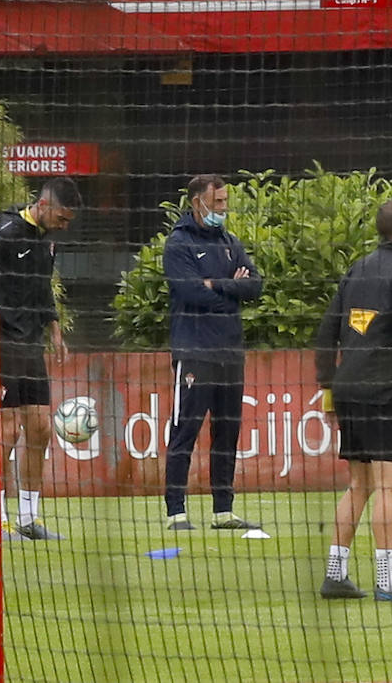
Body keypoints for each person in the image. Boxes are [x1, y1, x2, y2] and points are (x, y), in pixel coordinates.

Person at [315, 199, 392, 601]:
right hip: (381, 389)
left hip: (348, 388)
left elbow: (326, 331)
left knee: (359, 483)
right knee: (390, 484)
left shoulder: (357, 268)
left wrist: (328, 388)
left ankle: (336, 574)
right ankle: (388, 583)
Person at [0, 177, 81, 541]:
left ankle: (28, 518)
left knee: (40, 428)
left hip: (30, 346)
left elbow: (42, 289)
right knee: (6, 431)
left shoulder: (47, 243)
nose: (65, 225)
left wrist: (54, 327)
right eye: (62, 218)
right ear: (43, 205)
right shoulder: (5, 231)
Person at [162, 174, 264, 531]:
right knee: (184, 431)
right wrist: (230, 292)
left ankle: (223, 510)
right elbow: (192, 293)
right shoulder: (178, 244)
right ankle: (177, 512)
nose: (223, 208)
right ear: (197, 203)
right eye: (217, 202)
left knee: (227, 434)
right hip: (194, 353)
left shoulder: (230, 242)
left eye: (224, 201)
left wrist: (219, 285)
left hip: (230, 354)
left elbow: (255, 284)